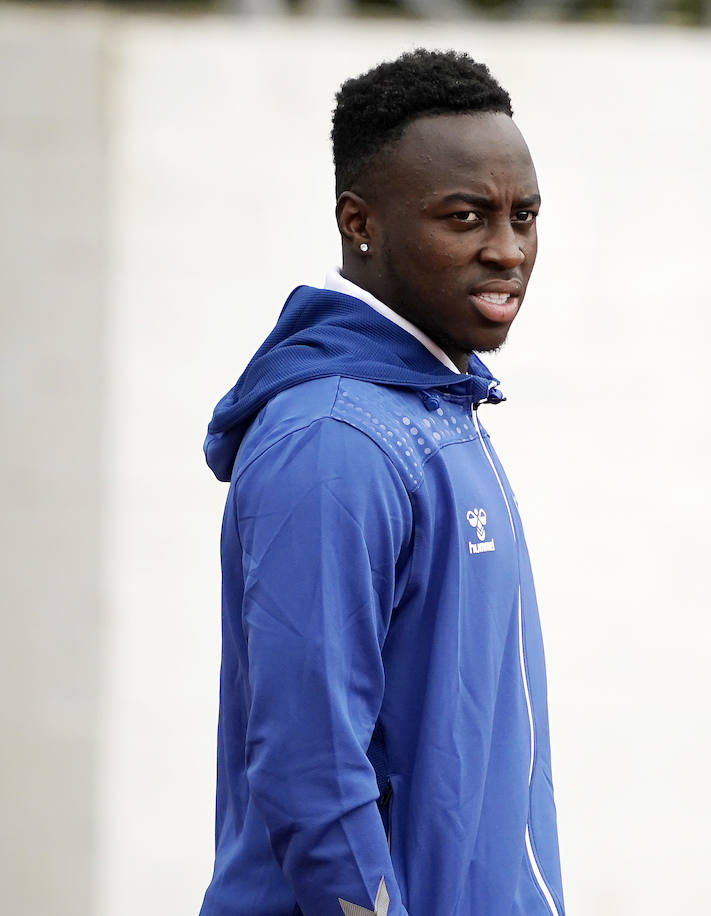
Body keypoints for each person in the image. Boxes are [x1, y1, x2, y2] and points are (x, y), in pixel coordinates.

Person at [199, 50, 563, 916]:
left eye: (525, 215)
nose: (507, 251)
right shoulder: (334, 440)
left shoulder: (437, 407)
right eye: (467, 216)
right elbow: (310, 769)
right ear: (359, 221)